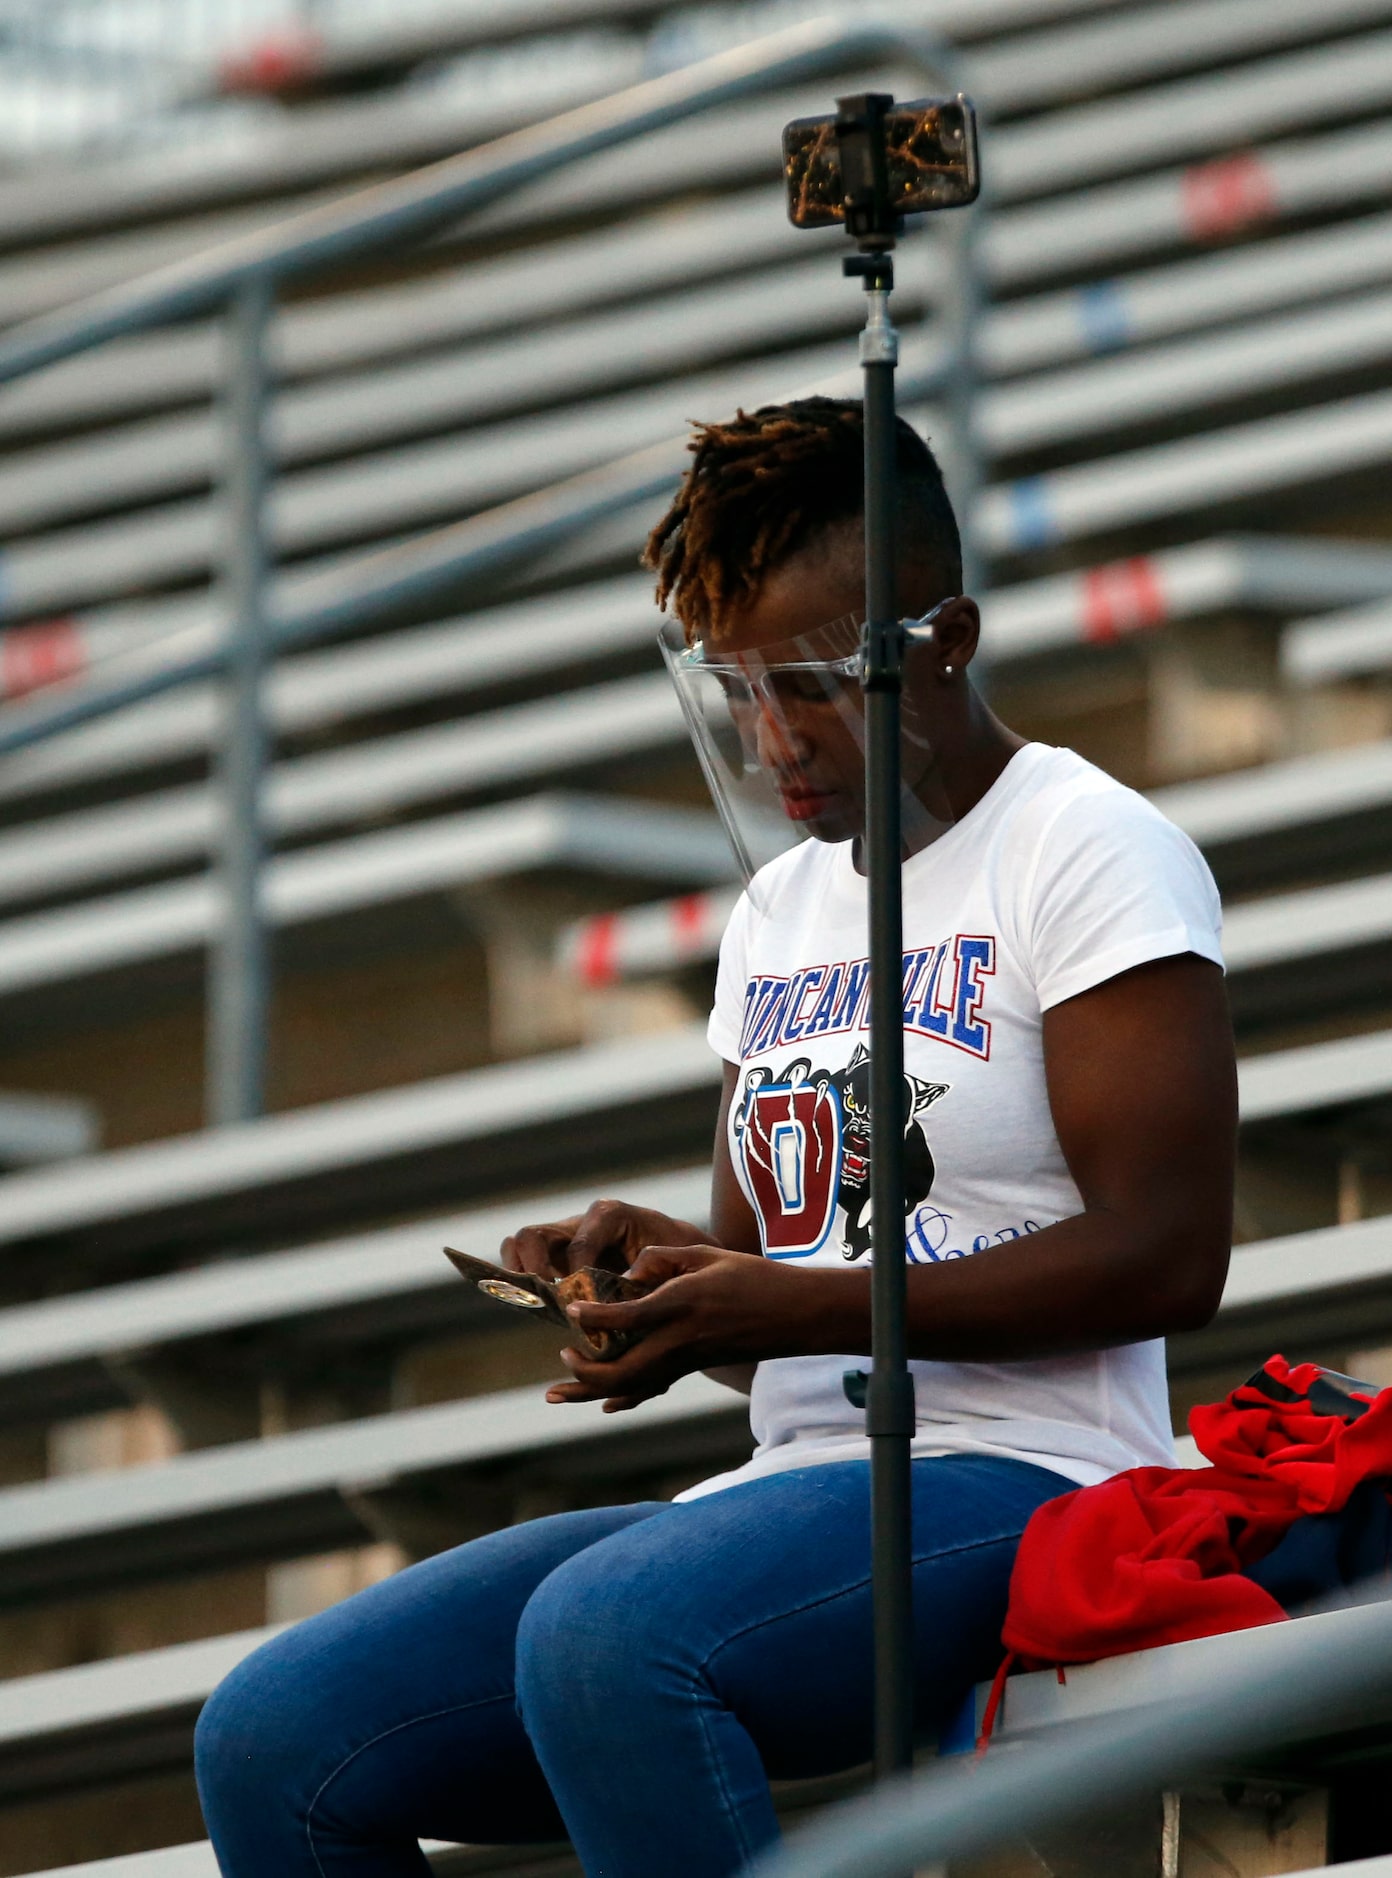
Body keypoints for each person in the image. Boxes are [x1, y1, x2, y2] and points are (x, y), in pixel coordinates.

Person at [194, 397, 1236, 1877]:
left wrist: (790, 1300)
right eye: (736, 692)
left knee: (607, 1634)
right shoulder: (783, 907)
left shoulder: (1083, 843)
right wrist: (647, 1280)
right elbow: (767, 1297)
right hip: (790, 1487)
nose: (767, 741)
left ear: (943, 637)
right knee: (272, 1736)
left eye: (808, 686)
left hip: (1034, 1474)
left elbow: (1168, 1253)